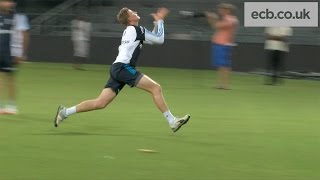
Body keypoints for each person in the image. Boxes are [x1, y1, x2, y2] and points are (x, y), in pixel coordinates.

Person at [54, 7, 191, 132]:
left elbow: (153, 38)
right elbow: (159, 39)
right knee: (156, 88)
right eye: (133, 12)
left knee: (100, 103)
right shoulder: (137, 30)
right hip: (123, 68)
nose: (136, 12)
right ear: (130, 18)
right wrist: (160, 20)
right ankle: (172, 121)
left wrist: (157, 23)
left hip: (117, 68)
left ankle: (65, 112)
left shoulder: (132, 31)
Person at [205, 3, 238, 90]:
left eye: (221, 9)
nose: (219, 11)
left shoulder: (230, 19)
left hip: (223, 44)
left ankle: (226, 85)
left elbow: (216, 25)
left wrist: (213, 18)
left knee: (224, 65)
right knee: (221, 65)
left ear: (227, 10)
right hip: (220, 44)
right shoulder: (226, 19)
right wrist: (211, 18)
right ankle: (221, 84)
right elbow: (214, 26)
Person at [0, 0, 20, 115]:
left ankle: (12, 106)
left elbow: (18, 36)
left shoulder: (15, 17)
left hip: (8, 53)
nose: (8, 4)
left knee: (10, 79)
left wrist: (17, 53)